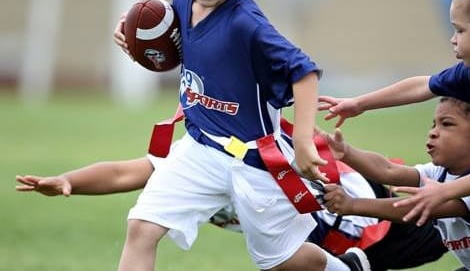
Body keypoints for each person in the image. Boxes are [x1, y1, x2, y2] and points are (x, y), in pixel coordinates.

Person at [112, 0, 362, 271]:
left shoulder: (249, 25)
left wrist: (306, 142)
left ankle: (348, 268)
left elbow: (305, 72)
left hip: (254, 160)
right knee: (141, 227)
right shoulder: (183, 0)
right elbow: (187, 48)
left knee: (282, 262)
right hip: (199, 148)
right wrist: (136, 40)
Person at [16, 145, 447, 271]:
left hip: (367, 223)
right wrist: (70, 179)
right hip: (319, 244)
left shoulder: (241, 151)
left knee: (452, 227)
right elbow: (124, 172)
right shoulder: (196, 157)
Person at [318, 0, 470, 225]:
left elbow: (421, 207)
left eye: (460, 30)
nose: (453, 39)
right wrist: (359, 104)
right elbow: (422, 86)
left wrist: (444, 191)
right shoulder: (464, 74)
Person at [320, 96, 470, 271]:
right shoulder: (440, 172)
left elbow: (416, 209)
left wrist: (353, 205)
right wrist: (345, 152)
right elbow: (388, 170)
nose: (433, 132)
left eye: (447, 124)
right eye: (433, 124)